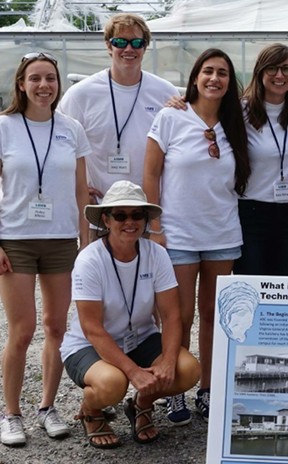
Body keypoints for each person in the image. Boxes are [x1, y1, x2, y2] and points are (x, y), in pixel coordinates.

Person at [0, 52, 90, 446]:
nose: (44, 86)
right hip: (17, 241)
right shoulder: (1, 127)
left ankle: (47, 407)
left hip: (60, 241)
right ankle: (11, 414)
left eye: (51, 79)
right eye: (36, 78)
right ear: (21, 84)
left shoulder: (71, 128)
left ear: (59, 85)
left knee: (57, 328)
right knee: (21, 331)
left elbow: (80, 191)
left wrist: (85, 243)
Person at [143, 48, 250, 424]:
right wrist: (154, 228)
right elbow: (151, 175)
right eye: (208, 71)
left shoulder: (236, 121)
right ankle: (176, 390)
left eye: (222, 73)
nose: (214, 79)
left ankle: (207, 388)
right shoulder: (171, 116)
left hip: (221, 232)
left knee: (213, 315)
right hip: (178, 234)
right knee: (179, 316)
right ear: (195, 77)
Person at [60, 181, 199, 448]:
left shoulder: (156, 254)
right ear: (106, 219)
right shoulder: (89, 260)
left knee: (187, 370)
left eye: (137, 215)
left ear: (146, 219)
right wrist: (133, 371)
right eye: (120, 215)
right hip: (89, 344)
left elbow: (171, 316)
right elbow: (92, 329)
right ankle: (91, 411)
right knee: (114, 384)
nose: (130, 222)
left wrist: (168, 360)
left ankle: (141, 404)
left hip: (140, 338)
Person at [58, 13, 179, 241]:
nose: (129, 49)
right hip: (100, 210)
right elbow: (60, 143)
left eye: (137, 42)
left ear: (145, 47)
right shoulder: (81, 95)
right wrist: (77, 186)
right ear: (108, 45)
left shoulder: (165, 92)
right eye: (120, 42)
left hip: (146, 210)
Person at [235, 43, 288, 276]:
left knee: (282, 289)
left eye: (286, 69)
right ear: (260, 72)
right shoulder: (241, 112)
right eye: (272, 68)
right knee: (252, 287)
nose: (280, 75)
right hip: (252, 214)